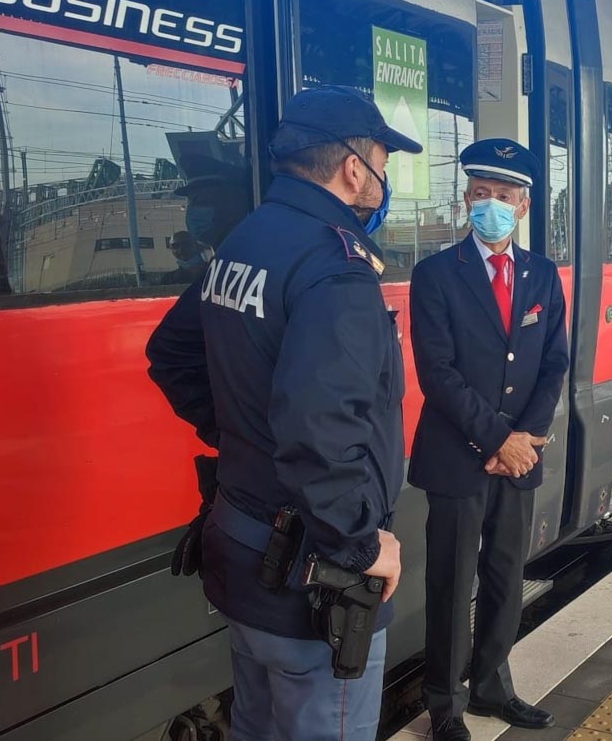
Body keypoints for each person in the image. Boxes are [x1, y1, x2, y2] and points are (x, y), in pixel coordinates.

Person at [146, 85, 422, 741]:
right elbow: (319, 437)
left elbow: (172, 353)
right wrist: (361, 545)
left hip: (242, 548)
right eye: (384, 157)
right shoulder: (335, 267)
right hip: (314, 580)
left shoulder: (246, 241)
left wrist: (240, 431)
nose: (384, 175)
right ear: (355, 166)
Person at [409, 139, 569, 741]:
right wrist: (500, 440)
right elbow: (438, 374)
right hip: (459, 458)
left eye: (503, 197)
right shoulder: (435, 276)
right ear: (467, 201)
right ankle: (445, 708)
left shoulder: (542, 276)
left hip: (519, 455)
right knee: (451, 583)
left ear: (523, 207)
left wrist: (526, 436)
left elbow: (554, 362)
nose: (490, 206)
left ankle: (494, 687)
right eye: (480, 195)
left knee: (506, 576)